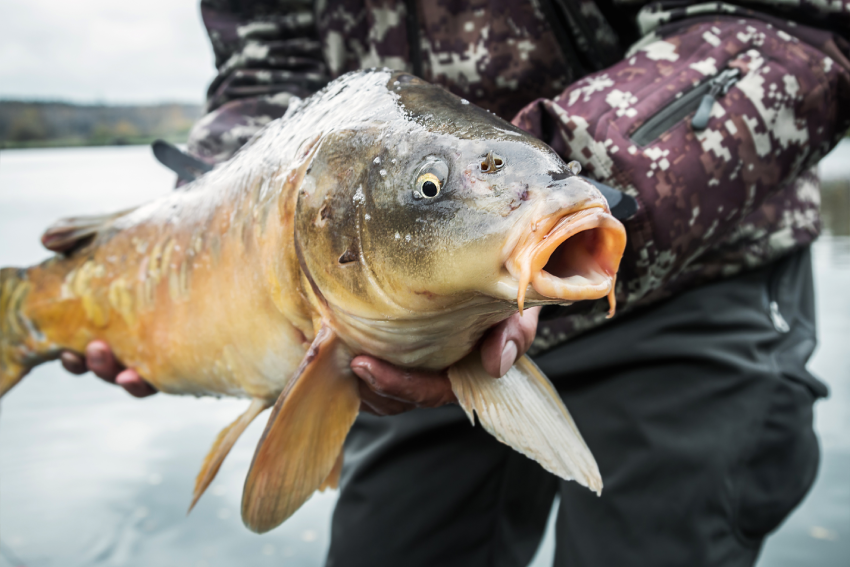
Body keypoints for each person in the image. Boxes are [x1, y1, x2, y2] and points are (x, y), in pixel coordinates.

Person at [59, 1, 850, 565]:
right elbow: (267, 84)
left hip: (688, 275)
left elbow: (784, 22)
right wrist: (217, 239)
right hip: (396, 307)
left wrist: (562, 177)